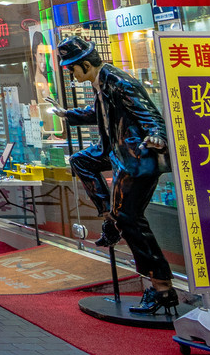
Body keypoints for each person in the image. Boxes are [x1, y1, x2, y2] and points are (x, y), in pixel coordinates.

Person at [52, 35, 177, 315]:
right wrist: (66, 114)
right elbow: (97, 113)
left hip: (135, 158)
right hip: (116, 151)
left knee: (131, 220)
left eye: (72, 69)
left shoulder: (119, 81)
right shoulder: (102, 82)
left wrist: (156, 135)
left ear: (84, 65)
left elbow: (149, 115)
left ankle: (161, 287)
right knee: (81, 161)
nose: (71, 74)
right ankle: (109, 218)